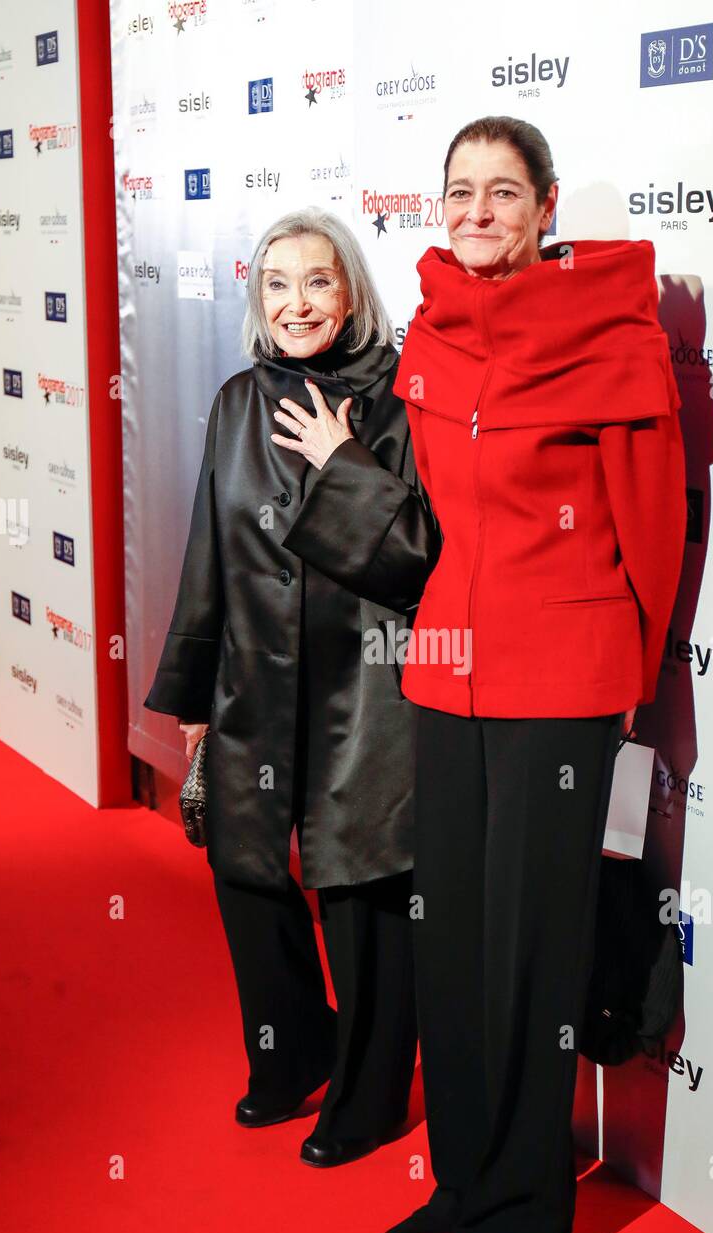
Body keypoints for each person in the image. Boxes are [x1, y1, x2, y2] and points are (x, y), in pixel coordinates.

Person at [282, 117, 687, 1233]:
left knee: (526, 953)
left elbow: (649, 525)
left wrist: (631, 676)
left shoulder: (612, 332)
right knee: (448, 937)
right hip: (444, 675)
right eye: (457, 191)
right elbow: (418, 519)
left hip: (559, 680)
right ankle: (462, 1177)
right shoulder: (434, 328)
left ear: (545, 206)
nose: (473, 211)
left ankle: (523, 1205)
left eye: (500, 193)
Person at [143, 209, 441, 1167]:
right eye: (277, 284)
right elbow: (207, 549)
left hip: (369, 689)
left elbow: (413, 560)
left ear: (350, 291)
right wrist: (192, 696)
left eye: (318, 282)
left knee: (360, 892)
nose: (297, 303)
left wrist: (339, 461)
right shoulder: (238, 399)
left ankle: (366, 1096)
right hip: (254, 679)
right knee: (248, 871)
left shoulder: (399, 399)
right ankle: (288, 1054)